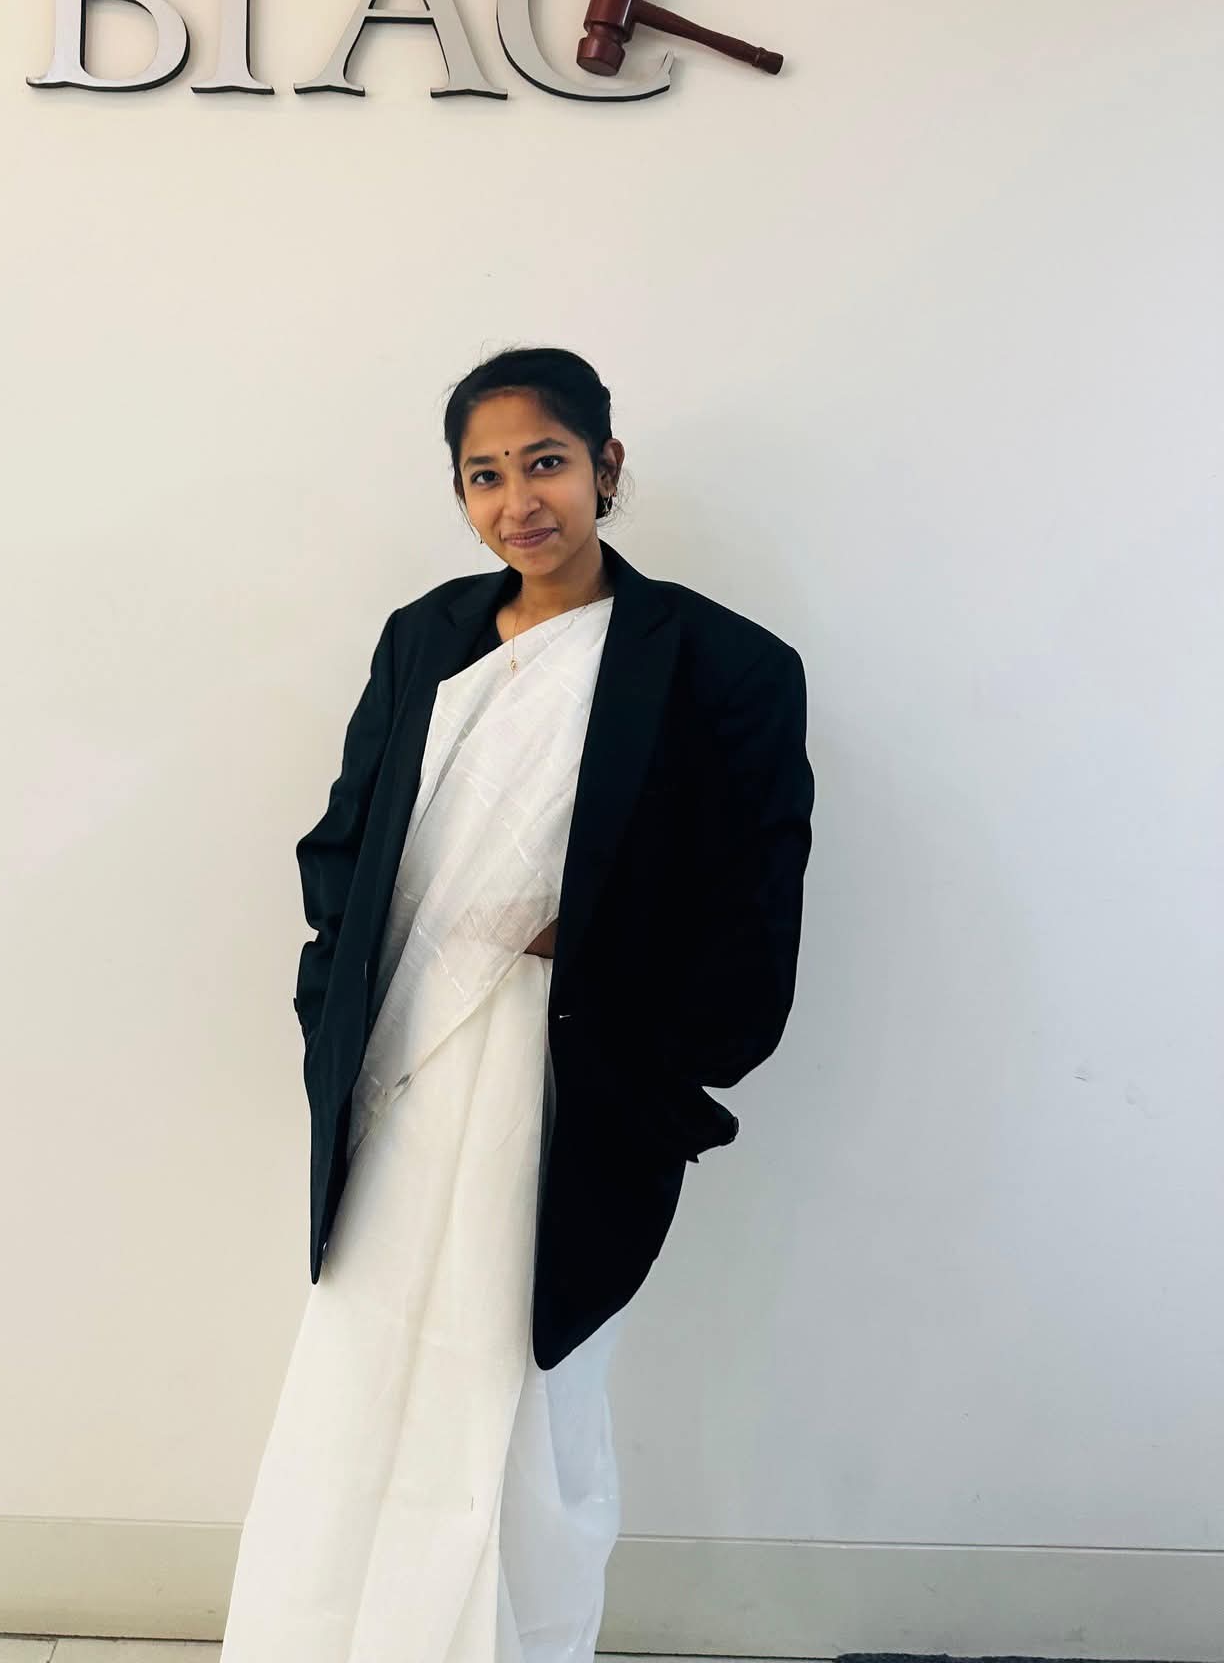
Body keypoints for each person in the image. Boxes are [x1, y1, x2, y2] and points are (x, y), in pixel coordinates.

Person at [221, 346, 815, 1663]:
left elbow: (751, 897)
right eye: (483, 477)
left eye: (544, 463)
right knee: (365, 1367)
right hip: (399, 1065)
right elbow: (346, 851)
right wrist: (333, 1018)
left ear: (607, 466)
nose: (516, 501)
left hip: (566, 1083)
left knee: (515, 1387)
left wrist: (633, 1014)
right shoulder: (426, 636)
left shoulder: (723, 664)